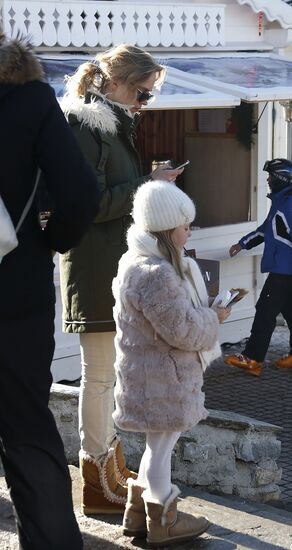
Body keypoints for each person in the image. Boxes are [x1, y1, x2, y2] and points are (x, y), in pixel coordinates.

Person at [59, 43, 184, 515]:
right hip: (93, 264)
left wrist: (147, 179)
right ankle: (97, 479)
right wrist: (148, 185)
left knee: (107, 375)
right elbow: (88, 205)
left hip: (112, 264)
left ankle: (108, 471)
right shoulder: (85, 124)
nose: (143, 103)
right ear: (114, 83)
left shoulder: (109, 121)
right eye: (142, 93)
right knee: (99, 376)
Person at [0, 34, 100, 549]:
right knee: (28, 433)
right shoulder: (28, 96)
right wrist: (49, 241)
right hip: (14, 292)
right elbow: (81, 191)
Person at [112, 180, 231, 547]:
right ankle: (163, 518)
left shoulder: (136, 261)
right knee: (162, 447)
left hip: (151, 376)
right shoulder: (158, 273)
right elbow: (181, 330)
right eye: (185, 226)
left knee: (157, 445)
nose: (189, 231)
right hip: (164, 378)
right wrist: (215, 318)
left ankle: (138, 513)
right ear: (167, 230)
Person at [225, 158, 292, 377]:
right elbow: (267, 230)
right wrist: (243, 243)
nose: (268, 179)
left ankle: (253, 359)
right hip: (281, 268)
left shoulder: (289, 205)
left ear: (281, 179)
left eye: (271, 176)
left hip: (283, 270)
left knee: (265, 312)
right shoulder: (281, 202)